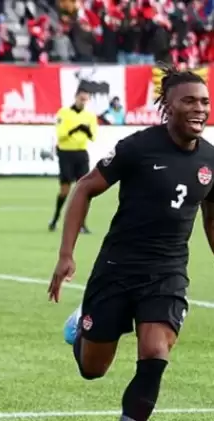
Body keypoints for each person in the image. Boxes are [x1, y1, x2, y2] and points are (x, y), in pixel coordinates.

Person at [48, 66, 214, 421]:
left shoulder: (211, 160)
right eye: (189, 101)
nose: (199, 108)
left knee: (155, 353)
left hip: (167, 273)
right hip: (117, 268)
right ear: (167, 106)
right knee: (93, 368)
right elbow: (85, 187)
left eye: (204, 101)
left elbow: (212, 218)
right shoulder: (139, 147)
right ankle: (82, 325)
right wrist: (66, 255)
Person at [49, 86, 98, 233]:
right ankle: (55, 218)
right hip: (66, 153)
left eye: (85, 100)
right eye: (81, 99)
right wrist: (75, 129)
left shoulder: (90, 116)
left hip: (81, 153)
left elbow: (93, 137)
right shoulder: (63, 113)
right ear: (76, 97)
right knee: (65, 189)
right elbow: (60, 134)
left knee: (84, 189)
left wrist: (87, 131)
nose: (83, 102)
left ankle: (82, 224)